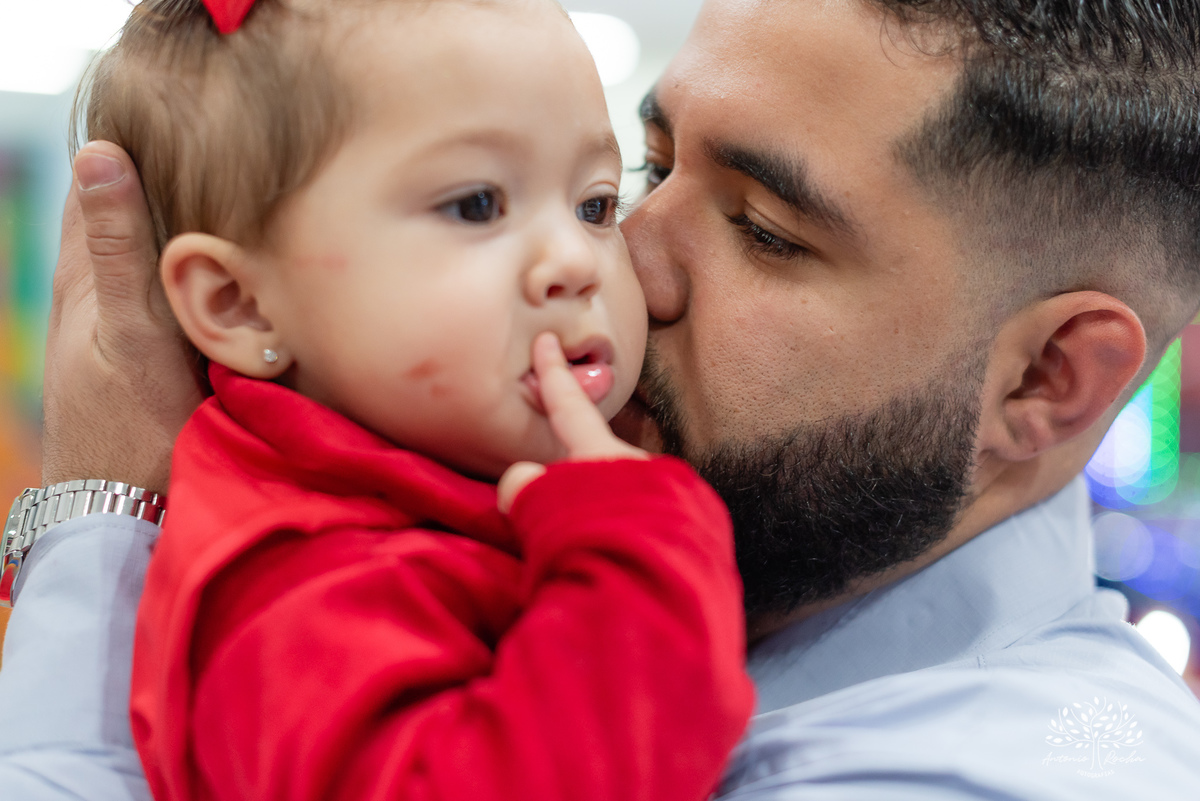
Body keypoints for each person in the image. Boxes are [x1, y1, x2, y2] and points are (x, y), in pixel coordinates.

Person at [3, 0, 1200, 798]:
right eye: (646, 168)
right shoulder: (443, 516)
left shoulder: (1032, 768)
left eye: (764, 231)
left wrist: (100, 527)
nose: (622, 258)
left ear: (1049, 379)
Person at [45, 0, 756, 800]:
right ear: (239, 304)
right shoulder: (300, 584)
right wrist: (640, 553)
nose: (577, 261)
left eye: (594, 204)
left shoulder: (424, 482)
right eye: (475, 205)